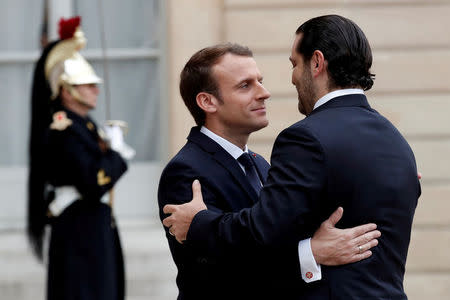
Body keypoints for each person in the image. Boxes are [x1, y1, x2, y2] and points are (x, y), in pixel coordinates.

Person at [163, 15, 421, 299]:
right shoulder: (394, 139)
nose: (266, 92)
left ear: (317, 62)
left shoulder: (286, 151)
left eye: (293, 64)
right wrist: (311, 253)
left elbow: (268, 229)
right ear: (207, 101)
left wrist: (199, 224)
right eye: (245, 85)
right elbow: (209, 274)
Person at [27, 16, 132, 300]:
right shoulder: (64, 129)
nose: (95, 89)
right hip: (80, 231)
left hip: (92, 225)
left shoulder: (83, 126)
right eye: (87, 84)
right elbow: (93, 181)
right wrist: (117, 155)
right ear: (66, 90)